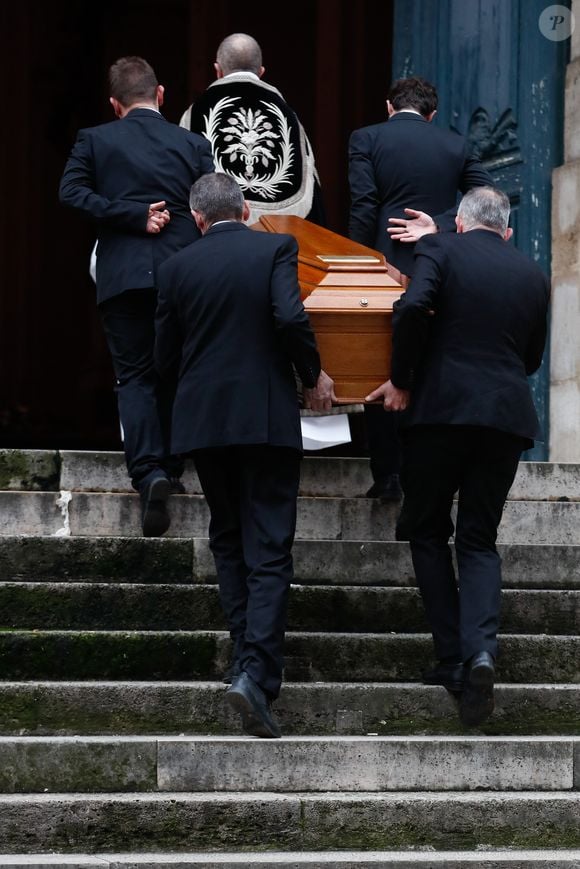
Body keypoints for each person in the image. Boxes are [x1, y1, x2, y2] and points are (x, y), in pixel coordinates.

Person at [154, 172, 335, 738]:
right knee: (270, 547)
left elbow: (164, 359)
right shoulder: (274, 247)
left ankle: (244, 662)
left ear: (198, 219)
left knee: (228, 539)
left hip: (204, 423)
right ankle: (256, 674)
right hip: (263, 418)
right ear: (246, 209)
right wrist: (313, 374)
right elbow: (288, 317)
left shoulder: (176, 266)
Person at [366, 186, 550, 727]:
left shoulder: (440, 249)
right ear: (507, 232)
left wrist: (401, 380)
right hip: (505, 417)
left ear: (461, 223)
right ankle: (482, 653)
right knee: (477, 537)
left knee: (426, 530)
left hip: (441, 412)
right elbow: (532, 357)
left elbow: (411, 308)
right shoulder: (533, 274)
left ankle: (453, 659)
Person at [59, 56, 215, 536]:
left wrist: (128, 214)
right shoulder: (192, 143)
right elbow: (211, 203)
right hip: (182, 276)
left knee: (134, 377)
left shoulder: (95, 139)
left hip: (123, 277)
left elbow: (70, 192)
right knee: (177, 371)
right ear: (161, 94)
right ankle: (170, 465)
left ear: (114, 104)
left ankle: (148, 472)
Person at [348, 76, 493, 502]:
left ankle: (387, 475)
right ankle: (421, 469)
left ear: (389, 107)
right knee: (427, 362)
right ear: (431, 115)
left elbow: (363, 204)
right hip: (437, 266)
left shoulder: (366, 137)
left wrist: (358, 263)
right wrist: (441, 223)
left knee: (380, 363)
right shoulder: (454, 144)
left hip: (382, 267)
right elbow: (488, 194)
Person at [179, 32, 326, 227]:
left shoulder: (195, 112)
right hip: (277, 239)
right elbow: (311, 184)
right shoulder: (289, 115)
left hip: (218, 239)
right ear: (261, 72)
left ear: (217, 70)